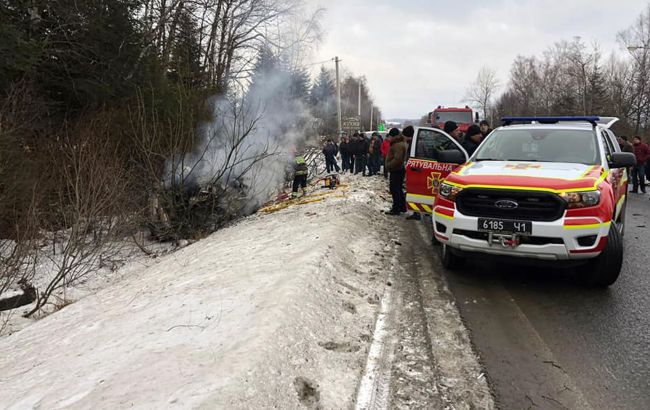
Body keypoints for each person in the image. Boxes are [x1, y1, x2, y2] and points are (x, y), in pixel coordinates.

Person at [385, 128, 408, 215]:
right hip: (398, 170)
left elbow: (397, 159)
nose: (389, 138)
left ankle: (396, 209)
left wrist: (389, 165)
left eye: (390, 136)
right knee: (398, 189)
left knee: (395, 189)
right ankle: (402, 207)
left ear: (394, 136)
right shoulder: (399, 143)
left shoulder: (398, 145)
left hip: (396, 170)